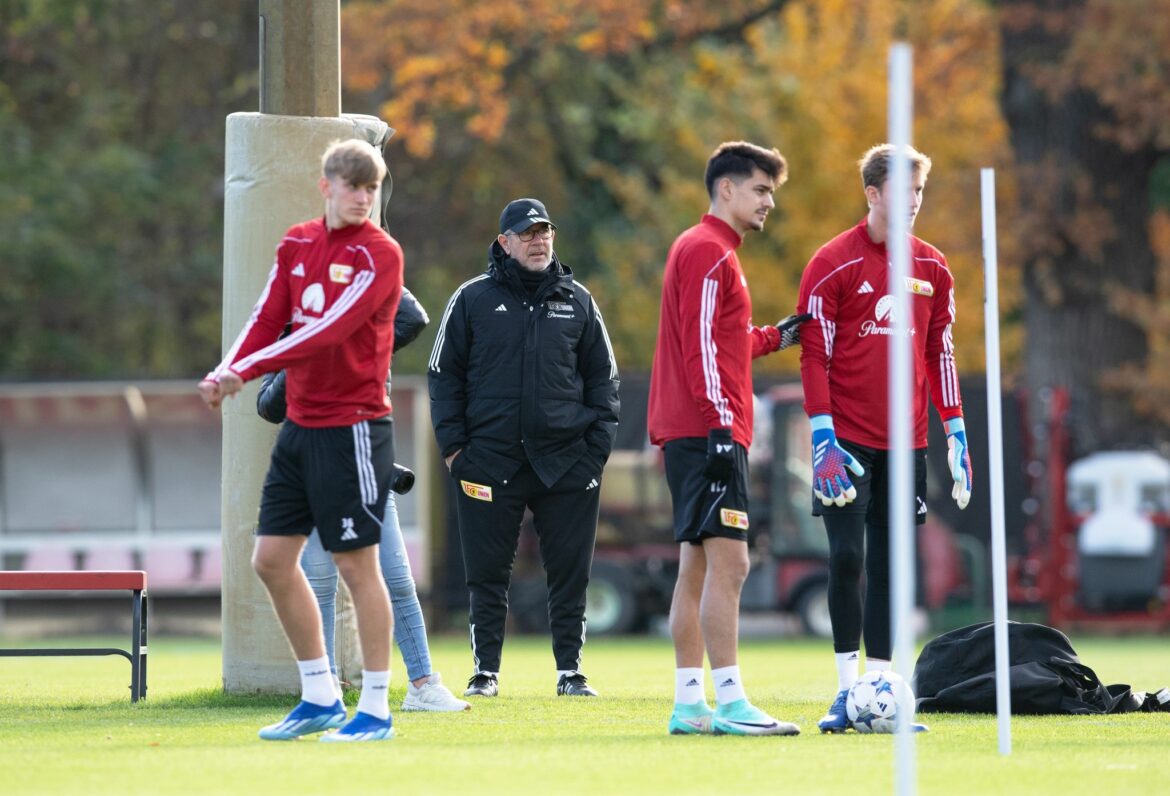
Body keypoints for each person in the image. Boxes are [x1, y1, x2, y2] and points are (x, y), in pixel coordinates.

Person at [198, 138, 404, 742]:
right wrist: (224, 368)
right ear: (327, 186)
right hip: (301, 428)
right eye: (353, 186)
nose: (364, 198)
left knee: (356, 565)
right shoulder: (297, 243)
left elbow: (328, 333)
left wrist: (247, 372)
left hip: (355, 428)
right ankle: (318, 696)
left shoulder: (379, 254)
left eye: (372, 187)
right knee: (270, 561)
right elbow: (267, 316)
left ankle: (374, 708)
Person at [796, 143, 972, 734]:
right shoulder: (832, 262)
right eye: (904, 191)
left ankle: (884, 692)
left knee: (893, 566)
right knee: (847, 558)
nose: (916, 202)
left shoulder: (934, 267)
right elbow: (814, 353)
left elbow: (939, 351)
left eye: (921, 191)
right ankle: (847, 693)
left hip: (909, 444)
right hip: (844, 442)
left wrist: (957, 430)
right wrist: (821, 434)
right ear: (873, 194)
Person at [428, 197, 620, 698]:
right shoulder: (470, 299)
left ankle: (570, 672)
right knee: (487, 574)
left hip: (567, 462)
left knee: (570, 572)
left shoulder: (578, 299)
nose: (539, 240)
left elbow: (605, 379)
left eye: (545, 232)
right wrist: (454, 450)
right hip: (488, 461)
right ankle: (484, 673)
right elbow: (442, 376)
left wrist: (595, 451)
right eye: (527, 233)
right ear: (504, 242)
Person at [647, 141, 805, 737]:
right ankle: (733, 703)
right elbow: (701, 350)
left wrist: (779, 337)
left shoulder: (705, 250)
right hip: (708, 429)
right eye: (762, 190)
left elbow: (726, 337)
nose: (769, 203)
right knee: (732, 564)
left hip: (691, 429)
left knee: (696, 567)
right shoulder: (711, 251)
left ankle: (691, 705)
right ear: (728, 189)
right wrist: (720, 426)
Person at [256, 287, 470, 713]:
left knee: (398, 580)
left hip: (368, 469)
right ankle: (324, 689)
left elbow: (414, 318)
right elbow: (268, 405)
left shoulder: (367, 325)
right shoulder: (288, 330)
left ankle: (423, 685)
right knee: (320, 582)